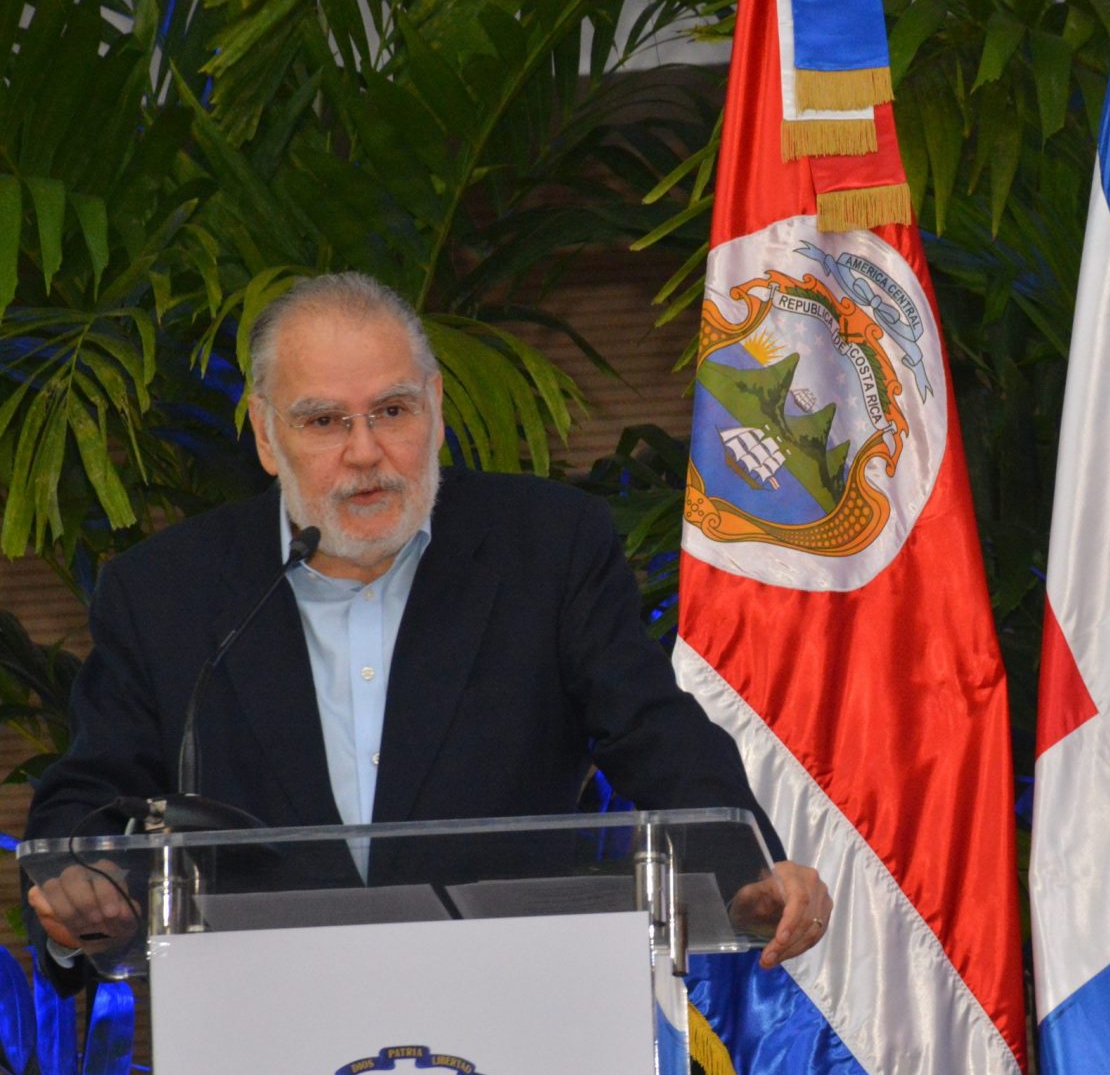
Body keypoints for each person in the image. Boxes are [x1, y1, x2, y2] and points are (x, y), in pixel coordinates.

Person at [23, 272, 830, 979]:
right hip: (260, 1024)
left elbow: (655, 736)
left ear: (436, 407)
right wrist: (80, 892)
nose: (367, 452)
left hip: (515, 1008)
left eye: (392, 411)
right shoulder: (169, 592)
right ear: (267, 435)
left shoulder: (546, 550)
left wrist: (747, 865)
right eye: (324, 422)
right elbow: (90, 802)